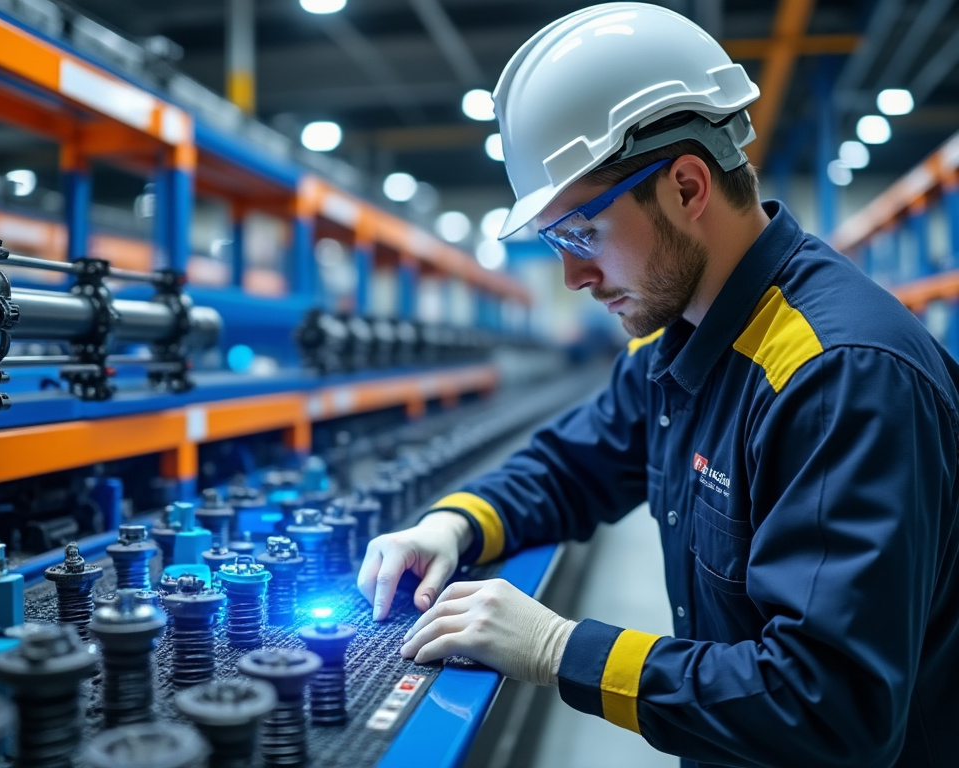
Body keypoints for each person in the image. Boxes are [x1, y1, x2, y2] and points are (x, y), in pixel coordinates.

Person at [357, 4, 959, 767]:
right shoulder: (681, 343)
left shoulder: (838, 375)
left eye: (581, 233)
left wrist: (559, 648)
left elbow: (830, 704)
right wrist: (450, 526)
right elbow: (573, 465)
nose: (572, 277)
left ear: (686, 186)